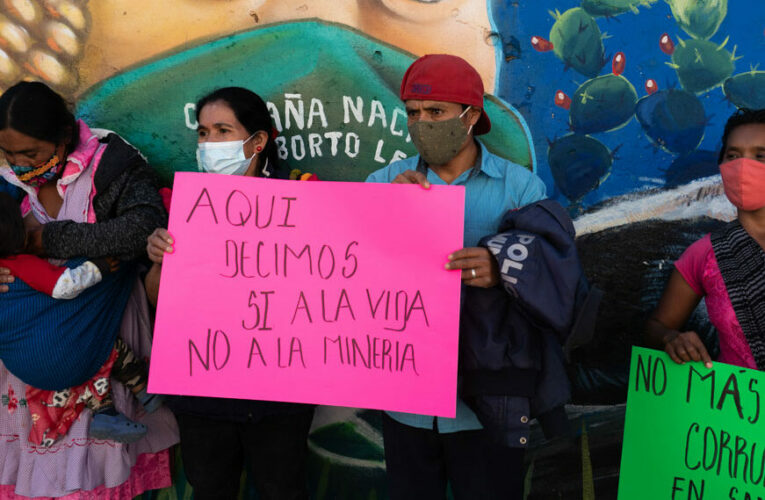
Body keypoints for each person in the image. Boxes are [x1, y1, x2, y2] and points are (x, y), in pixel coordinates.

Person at [365, 54, 554, 500]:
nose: (422, 122)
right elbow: (348, 277)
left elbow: (552, 274)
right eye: (413, 112)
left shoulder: (520, 188)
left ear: (470, 117)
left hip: (487, 402)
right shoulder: (382, 183)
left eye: (436, 112)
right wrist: (382, 216)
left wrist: (502, 267)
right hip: (405, 400)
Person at [0, 81, 178, 498]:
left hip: (103, 327)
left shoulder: (112, 163)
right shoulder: (5, 180)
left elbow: (143, 226)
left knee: (97, 469)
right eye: (9, 154)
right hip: (33, 347)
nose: (20, 164)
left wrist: (49, 241)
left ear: (64, 138)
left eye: (31, 154)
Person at [145, 87, 315, 500]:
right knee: (211, 488)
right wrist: (158, 259)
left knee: (282, 489)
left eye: (223, 130)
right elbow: (156, 300)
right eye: (203, 133)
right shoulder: (182, 208)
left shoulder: (305, 200)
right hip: (202, 392)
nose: (209, 143)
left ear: (258, 142)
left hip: (280, 392)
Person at [0, 192, 161, 446]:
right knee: (107, 348)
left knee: (87, 350)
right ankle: (146, 392)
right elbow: (65, 284)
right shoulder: (21, 265)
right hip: (56, 352)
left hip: (24, 367)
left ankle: (105, 413)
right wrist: (100, 267)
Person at [646, 108, 765, 371]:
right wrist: (672, 338)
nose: (744, 166)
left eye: (760, 156)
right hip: (738, 406)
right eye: (733, 156)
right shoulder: (705, 255)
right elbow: (656, 326)